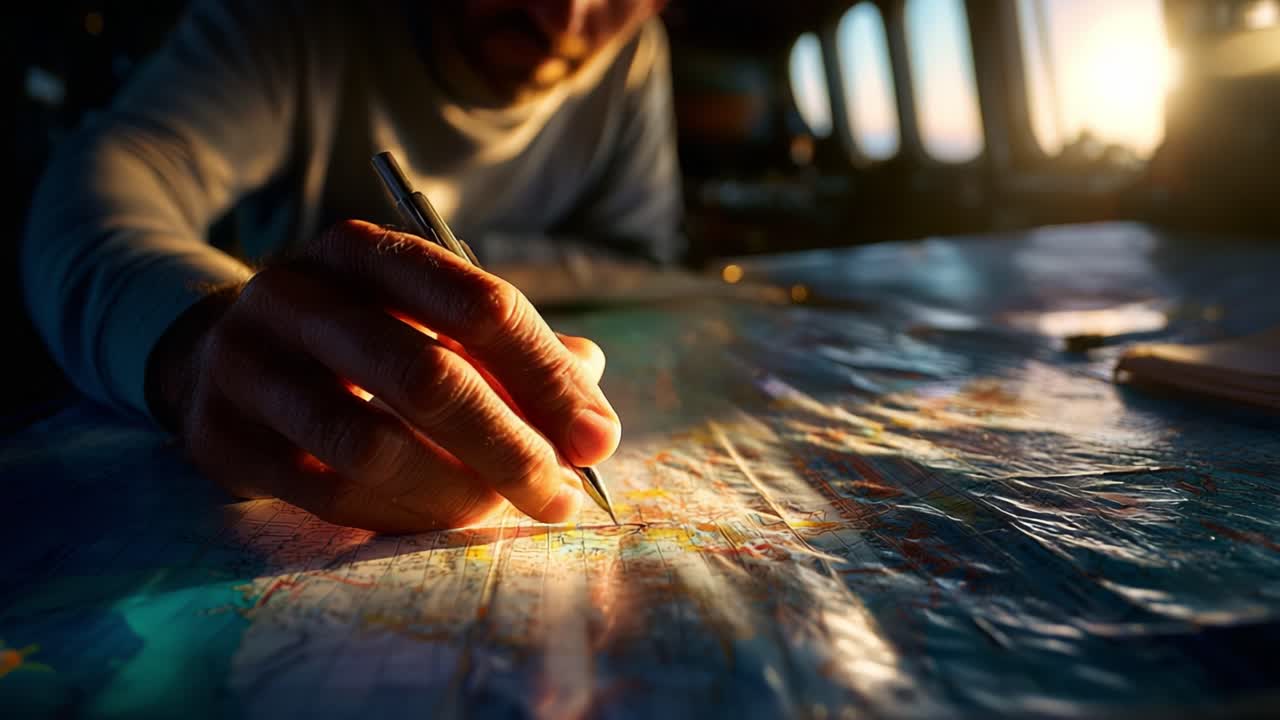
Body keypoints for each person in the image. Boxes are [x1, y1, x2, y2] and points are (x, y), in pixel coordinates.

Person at [19, 0, 683, 533]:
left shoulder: (631, 53)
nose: (564, 18)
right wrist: (197, 344)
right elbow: (91, 190)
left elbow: (640, 257)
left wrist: (462, 276)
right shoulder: (294, 20)